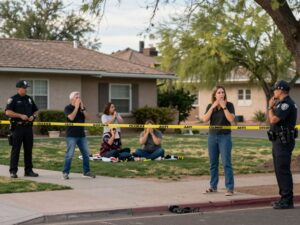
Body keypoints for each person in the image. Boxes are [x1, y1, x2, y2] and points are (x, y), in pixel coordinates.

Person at [267, 80, 297, 209]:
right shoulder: (281, 104)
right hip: (278, 141)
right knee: (280, 170)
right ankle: (284, 198)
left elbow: (273, 119)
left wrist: (269, 107)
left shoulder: (286, 104)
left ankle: (287, 200)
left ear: (281, 90)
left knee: (283, 170)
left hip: (283, 142)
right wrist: (273, 107)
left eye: (275, 89)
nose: (274, 91)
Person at [202, 85, 235, 196]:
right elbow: (205, 119)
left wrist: (224, 107)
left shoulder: (229, 105)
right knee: (213, 163)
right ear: (215, 95)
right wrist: (213, 107)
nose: (221, 94)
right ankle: (213, 186)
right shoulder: (210, 106)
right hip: (212, 136)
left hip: (224, 137)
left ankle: (229, 188)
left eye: (222, 92)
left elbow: (231, 119)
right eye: (219, 92)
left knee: (226, 163)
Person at [5, 80, 39, 178]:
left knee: (28, 150)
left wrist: (33, 116)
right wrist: (20, 116)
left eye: (26, 88)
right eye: (24, 88)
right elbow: (8, 112)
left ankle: (28, 171)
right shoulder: (13, 99)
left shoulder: (29, 99)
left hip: (28, 128)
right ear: (18, 88)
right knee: (16, 150)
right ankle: (13, 171)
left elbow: (36, 110)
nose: (26, 89)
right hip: (17, 128)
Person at [62, 91, 96, 179]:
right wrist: (76, 107)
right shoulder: (67, 108)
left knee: (86, 154)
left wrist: (82, 109)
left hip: (81, 135)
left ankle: (86, 172)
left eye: (79, 97)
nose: (79, 98)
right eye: (77, 97)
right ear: (72, 99)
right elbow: (71, 118)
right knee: (69, 154)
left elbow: (88, 118)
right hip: (71, 135)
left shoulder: (82, 108)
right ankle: (65, 173)